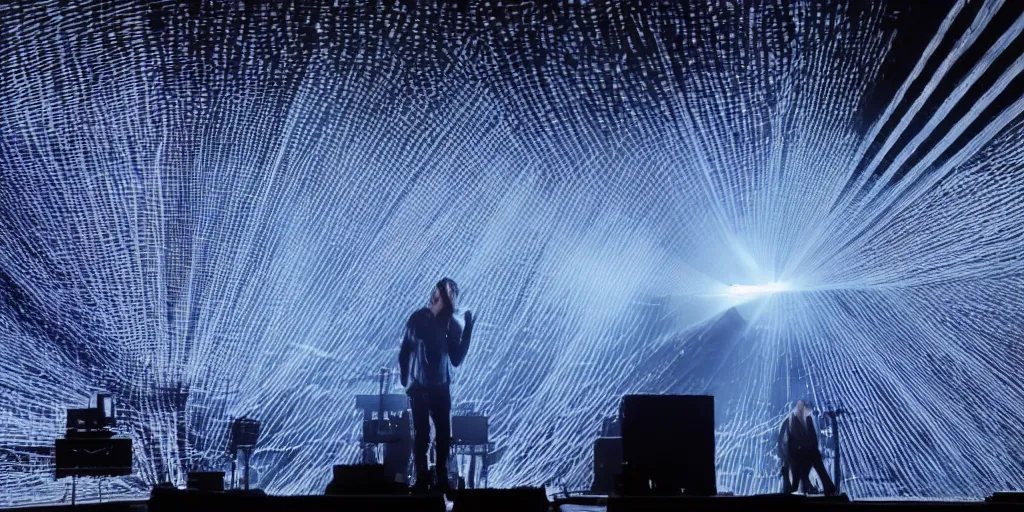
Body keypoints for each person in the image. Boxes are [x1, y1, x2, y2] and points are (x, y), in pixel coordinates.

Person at [399, 278, 475, 493]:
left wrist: (468, 328)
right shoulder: (419, 319)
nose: (449, 298)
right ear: (436, 295)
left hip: (440, 387)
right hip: (420, 387)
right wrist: (406, 378)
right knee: (423, 434)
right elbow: (405, 349)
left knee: (443, 434)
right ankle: (423, 477)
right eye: (446, 293)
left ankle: (440, 477)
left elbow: (456, 358)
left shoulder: (451, 324)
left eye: (452, 294)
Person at [779, 400, 836, 495]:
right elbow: (786, 443)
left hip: (805, 455)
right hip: (796, 456)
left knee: (816, 458)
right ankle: (824, 487)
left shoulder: (807, 420)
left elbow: (813, 440)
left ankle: (827, 487)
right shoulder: (790, 421)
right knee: (795, 484)